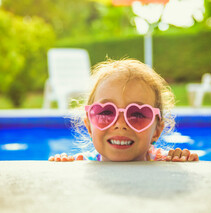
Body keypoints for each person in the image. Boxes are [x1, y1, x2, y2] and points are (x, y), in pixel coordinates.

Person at [49, 59, 199, 162]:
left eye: (137, 114)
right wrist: (62, 162)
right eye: (106, 112)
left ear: (157, 131)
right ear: (89, 125)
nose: (120, 124)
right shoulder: (82, 162)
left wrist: (182, 158)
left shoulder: (162, 161)